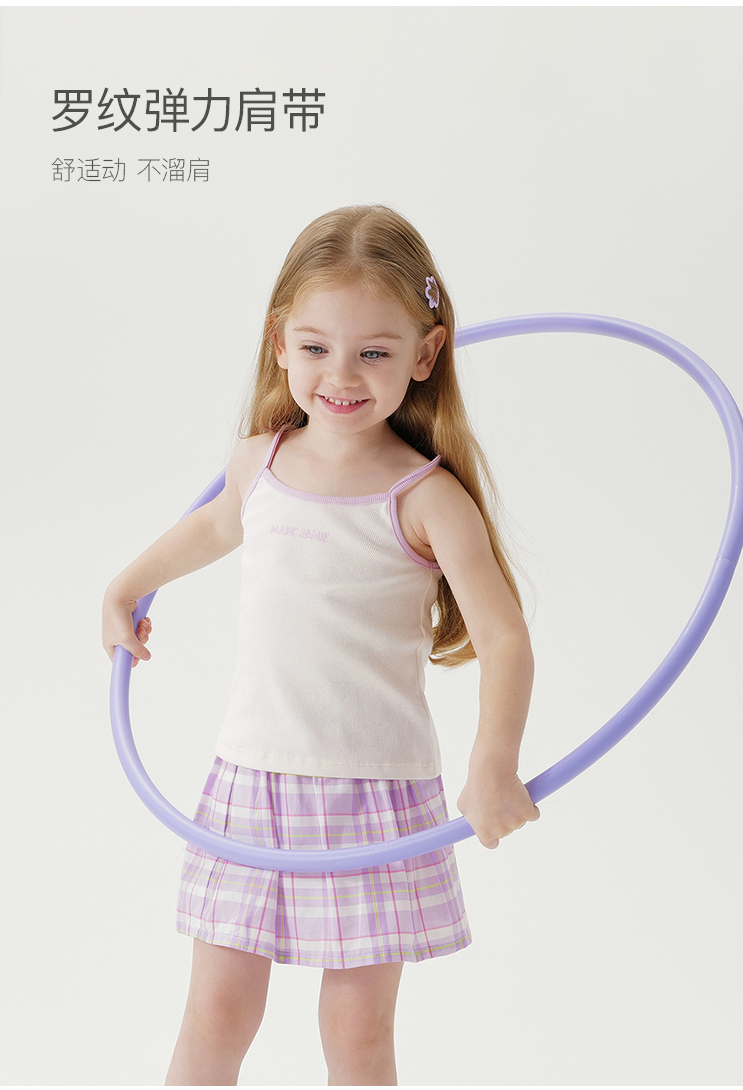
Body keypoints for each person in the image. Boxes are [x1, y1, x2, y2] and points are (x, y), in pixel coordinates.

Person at [102, 204, 540, 1086]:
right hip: (252, 780)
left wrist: (494, 763)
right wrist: (124, 587)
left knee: (358, 1034)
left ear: (426, 354)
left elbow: (504, 638)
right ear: (279, 343)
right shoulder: (258, 462)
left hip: (376, 792)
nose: (341, 375)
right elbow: (213, 527)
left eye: (375, 352)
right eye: (315, 347)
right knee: (216, 1015)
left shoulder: (426, 497)